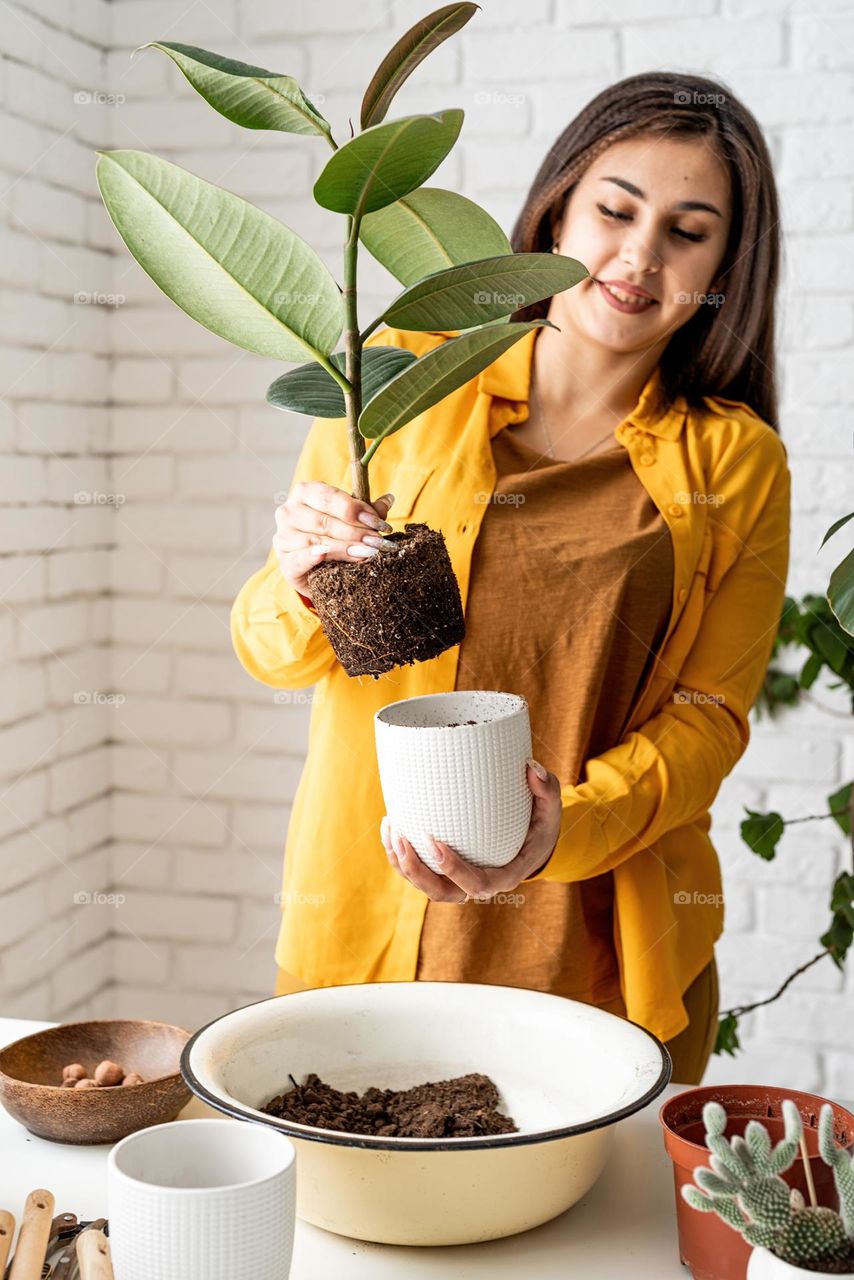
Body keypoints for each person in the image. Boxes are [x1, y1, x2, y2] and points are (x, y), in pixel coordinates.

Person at [230, 71, 790, 1085]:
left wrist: (555, 831)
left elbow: (710, 712)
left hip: (592, 950)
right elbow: (277, 651)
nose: (637, 256)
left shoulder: (732, 460)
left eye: (686, 230)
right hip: (369, 914)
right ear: (554, 212)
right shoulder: (398, 374)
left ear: (725, 262)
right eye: (614, 211)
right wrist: (300, 570)